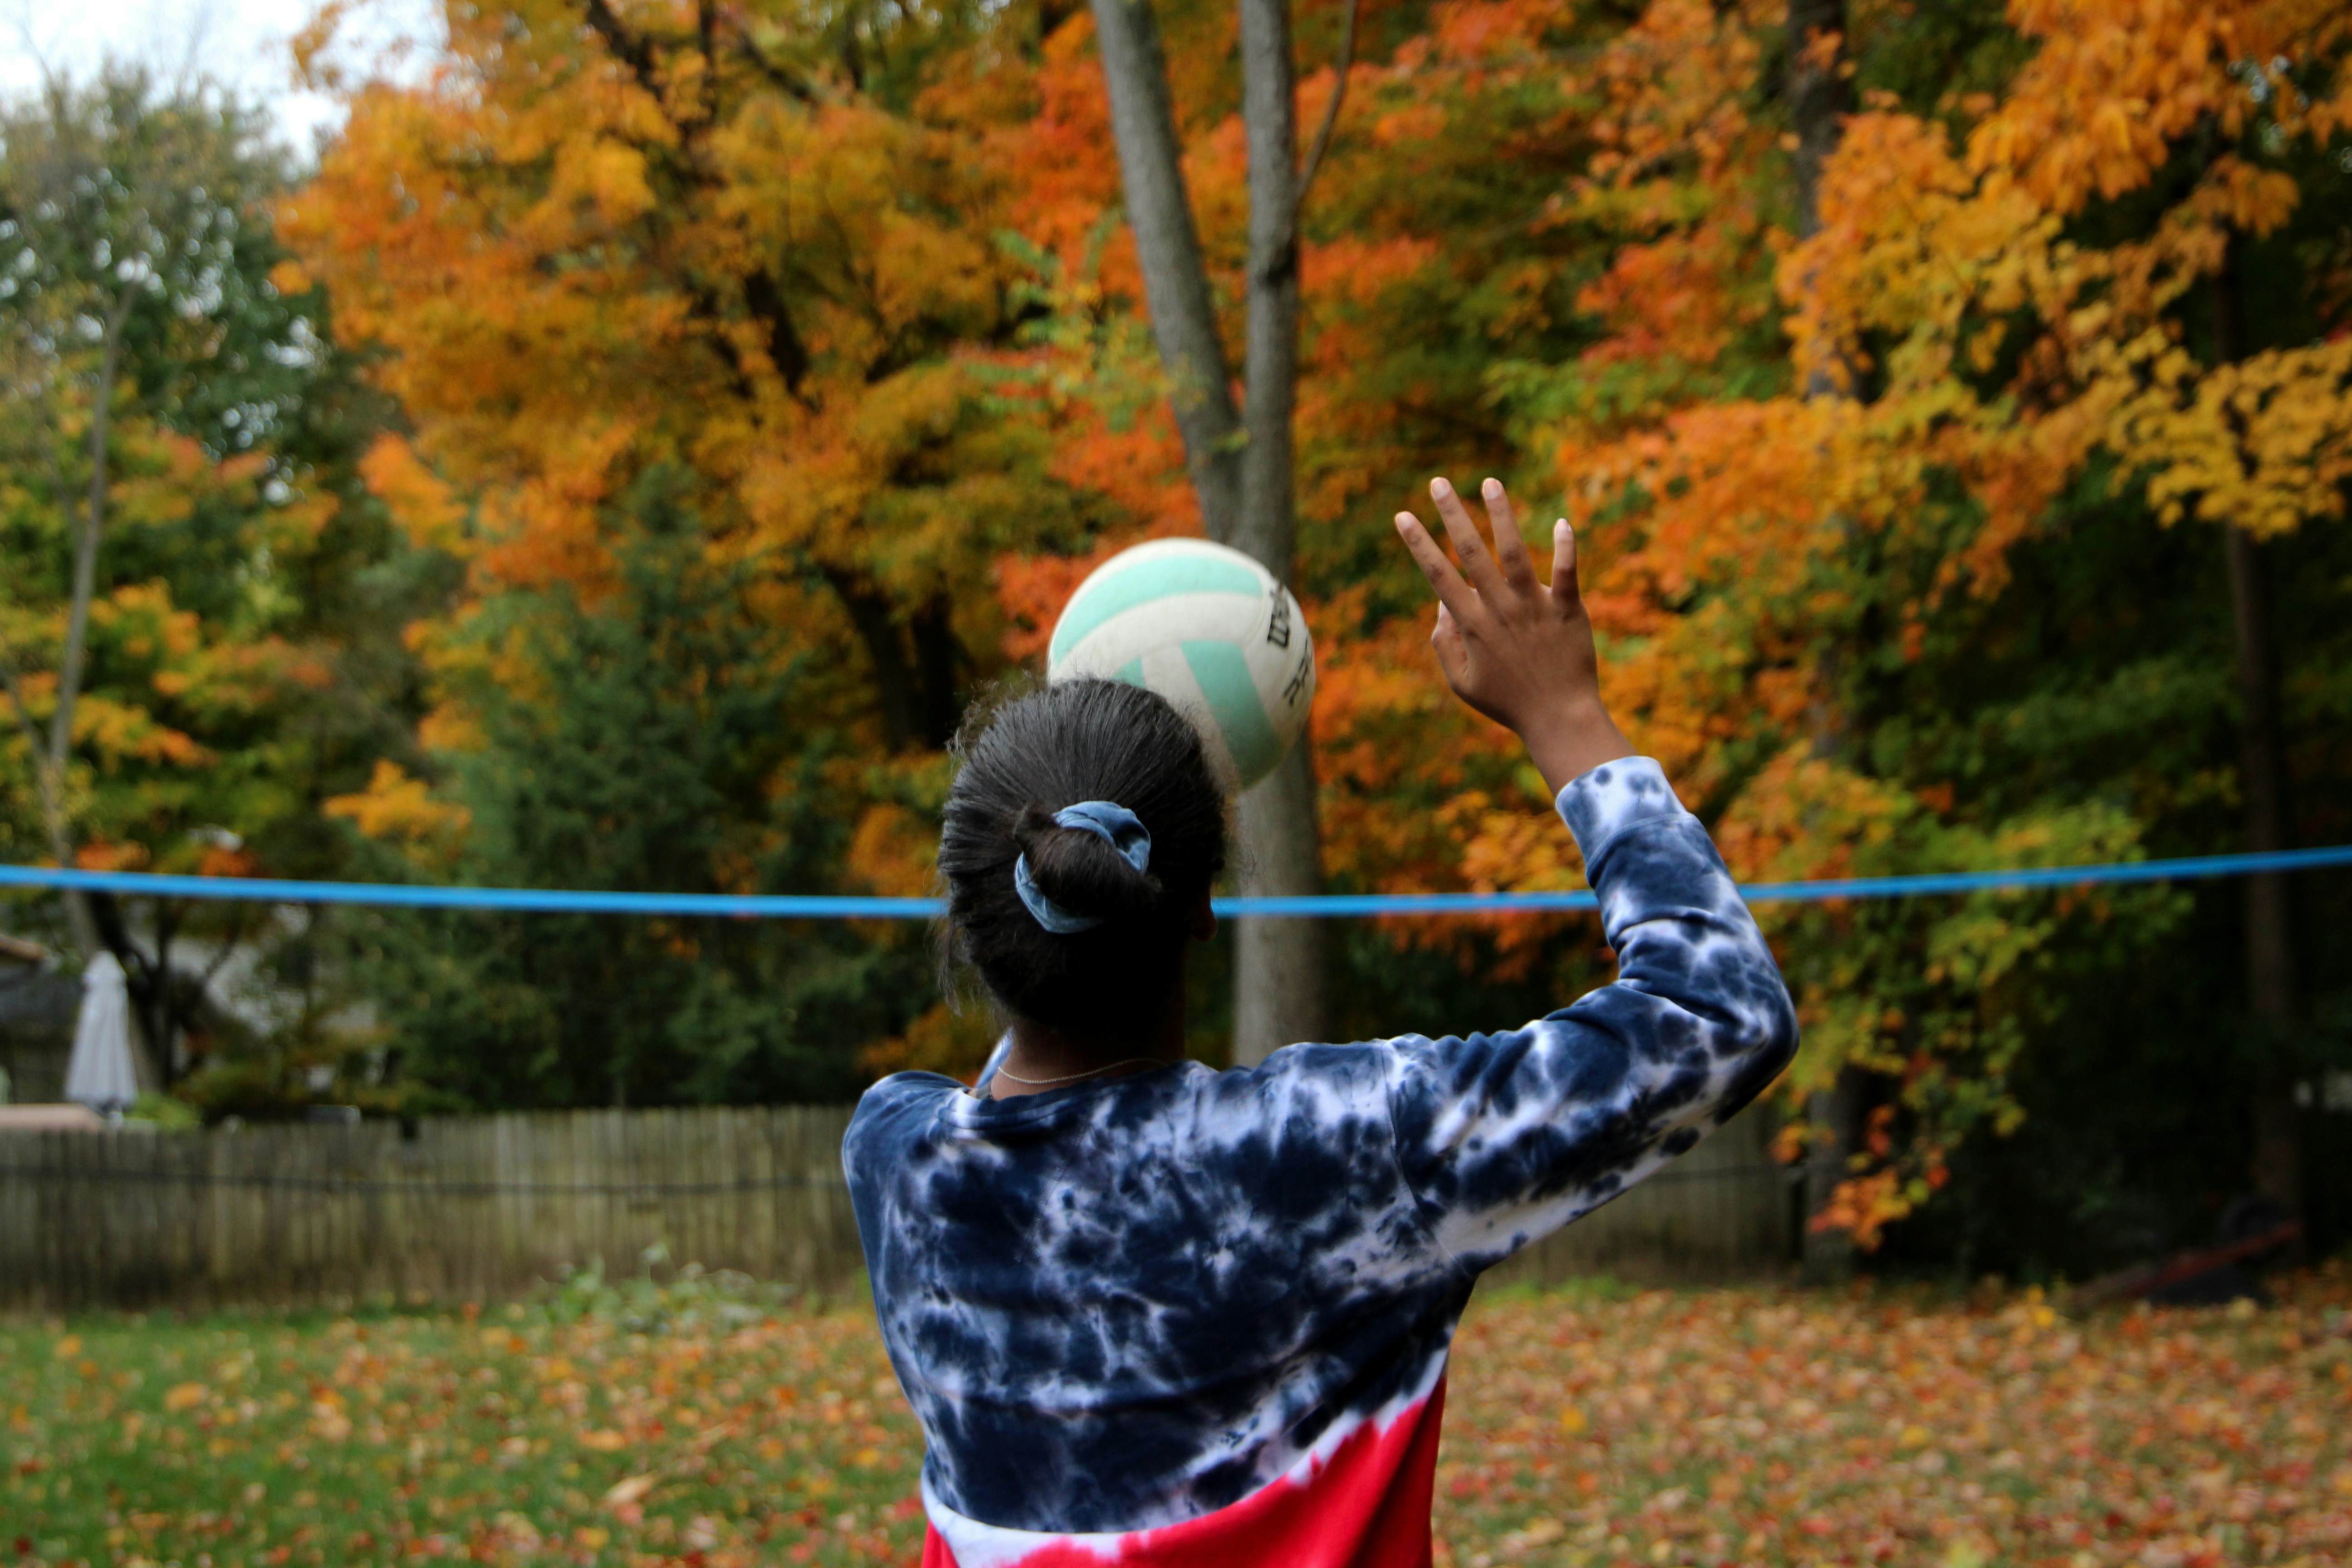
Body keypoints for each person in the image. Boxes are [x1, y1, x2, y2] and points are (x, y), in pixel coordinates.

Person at [843, 477, 1800, 1567]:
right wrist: (1567, 717)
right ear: (1200, 908)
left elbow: (1026, 1027)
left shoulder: (892, 1156)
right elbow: (1719, 1011)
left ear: (971, 920)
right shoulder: (1342, 1150)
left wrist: (1081, 795)